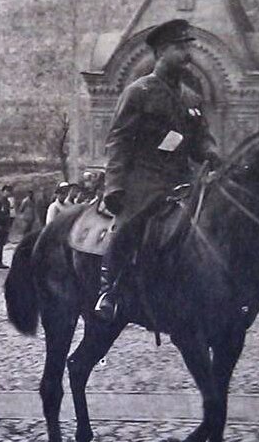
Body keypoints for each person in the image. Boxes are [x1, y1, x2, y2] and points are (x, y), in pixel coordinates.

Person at [94, 19, 219, 321]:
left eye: (189, 47)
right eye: (180, 48)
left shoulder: (191, 98)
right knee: (129, 225)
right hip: (145, 181)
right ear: (161, 52)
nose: (187, 54)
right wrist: (115, 186)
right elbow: (119, 140)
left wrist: (212, 152)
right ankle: (109, 289)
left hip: (183, 179)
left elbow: (200, 139)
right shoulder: (140, 91)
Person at [0, 185, 13, 268]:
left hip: (5, 225)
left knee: (2, 243)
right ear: (3, 191)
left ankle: (0, 261)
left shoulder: (7, 202)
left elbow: (8, 214)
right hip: (0, 225)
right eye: (7, 191)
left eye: (9, 191)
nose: (8, 193)